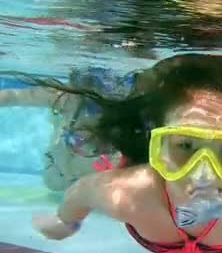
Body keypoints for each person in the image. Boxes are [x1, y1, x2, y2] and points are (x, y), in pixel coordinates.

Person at [4, 53, 222, 253]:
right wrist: (66, 222)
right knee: (62, 171)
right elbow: (80, 193)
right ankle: (60, 107)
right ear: (156, 147)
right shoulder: (129, 193)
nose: (204, 173)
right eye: (184, 145)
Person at [0, 67, 135, 191]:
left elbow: (14, 96)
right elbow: (13, 96)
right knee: (55, 182)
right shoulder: (67, 98)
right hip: (67, 169)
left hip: (91, 171)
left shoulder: (70, 99)